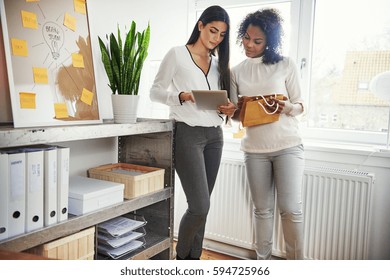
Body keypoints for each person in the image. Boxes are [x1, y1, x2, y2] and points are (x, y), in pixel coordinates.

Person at [150, 5, 236, 260]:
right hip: (187, 134)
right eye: (212, 31)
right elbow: (155, 91)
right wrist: (181, 96)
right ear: (200, 25)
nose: (216, 38)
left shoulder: (219, 65)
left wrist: (229, 109)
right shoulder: (177, 54)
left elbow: (227, 104)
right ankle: (181, 259)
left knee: (203, 207)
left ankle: (193, 261)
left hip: (215, 137)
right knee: (199, 206)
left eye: (221, 34)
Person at [230, 8, 305, 260]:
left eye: (257, 41)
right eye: (246, 38)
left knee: (290, 210)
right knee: (262, 210)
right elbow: (235, 116)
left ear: (269, 42)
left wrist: (288, 107)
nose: (249, 44)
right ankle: (263, 263)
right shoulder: (236, 71)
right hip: (254, 151)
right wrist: (233, 110)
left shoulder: (286, 64)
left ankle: (296, 264)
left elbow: (301, 105)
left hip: (288, 146)